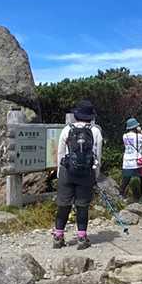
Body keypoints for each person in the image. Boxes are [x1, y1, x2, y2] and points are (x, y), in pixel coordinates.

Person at [53, 101, 103, 250]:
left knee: (63, 204)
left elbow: (61, 153)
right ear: (90, 116)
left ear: (76, 115)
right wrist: (95, 174)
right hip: (86, 173)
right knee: (82, 206)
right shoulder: (95, 131)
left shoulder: (67, 129)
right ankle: (82, 238)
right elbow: (97, 156)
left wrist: (60, 172)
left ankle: (58, 237)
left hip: (67, 171)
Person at [121, 118, 142, 201]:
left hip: (127, 161)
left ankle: (121, 195)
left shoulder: (124, 136)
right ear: (135, 127)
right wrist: (141, 131)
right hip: (137, 161)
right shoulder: (139, 136)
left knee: (126, 178)